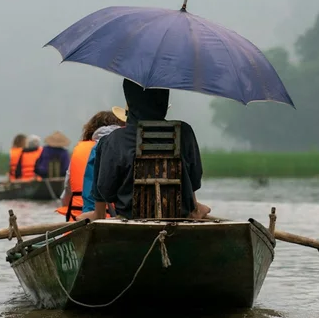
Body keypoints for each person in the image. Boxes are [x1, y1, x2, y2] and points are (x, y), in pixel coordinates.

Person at [92, 79, 209, 220]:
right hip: (179, 218)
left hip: (129, 219)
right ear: (164, 99)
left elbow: (106, 191)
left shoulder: (114, 140)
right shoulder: (184, 132)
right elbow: (195, 180)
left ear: (130, 98)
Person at [57, 110, 123, 221]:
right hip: (117, 217)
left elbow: (68, 189)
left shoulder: (81, 149)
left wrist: (65, 203)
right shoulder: (124, 146)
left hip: (79, 217)